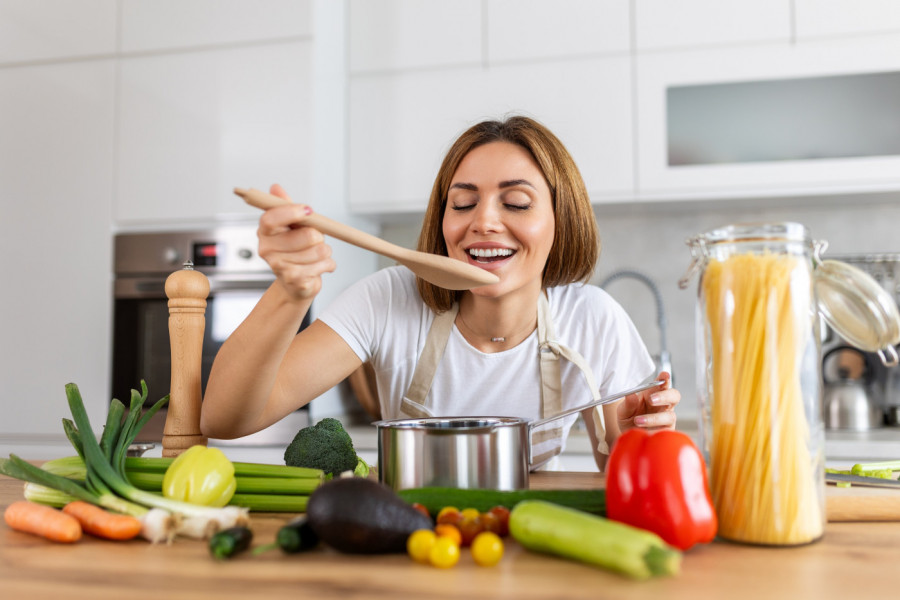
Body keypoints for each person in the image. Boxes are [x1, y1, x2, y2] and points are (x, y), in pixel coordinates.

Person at [201, 115, 680, 471]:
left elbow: (626, 464)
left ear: (562, 220)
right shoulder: (387, 301)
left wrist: (641, 433)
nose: (484, 221)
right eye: (463, 202)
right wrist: (290, 291)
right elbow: (224, 418)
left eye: (516, 202)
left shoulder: (593, 319)